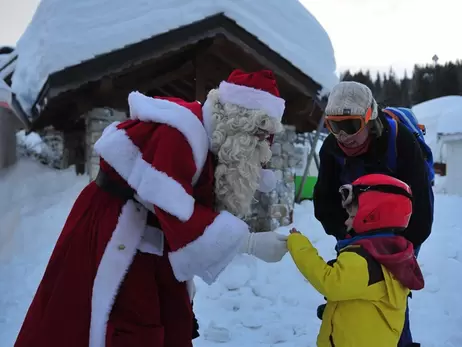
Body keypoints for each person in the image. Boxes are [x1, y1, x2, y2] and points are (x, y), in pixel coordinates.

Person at [14, 69, 289, 347]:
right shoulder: (180, 134)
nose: (264, 148)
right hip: (116, 231)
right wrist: (250, 243)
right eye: (260, 137)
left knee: (168, 322)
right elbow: (176, 211)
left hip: (148, 237)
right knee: (123, 325)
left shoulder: (212, 142)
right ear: (240, 124)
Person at [313, 81, 433, 347]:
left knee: (388, 301)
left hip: (399, 236)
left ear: (370, 118)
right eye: (335, 126)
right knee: (352, 295)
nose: (344, 136)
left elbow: (422, 212)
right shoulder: (331, 149)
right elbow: (324, 204)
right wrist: (349, 236)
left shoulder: (401, 143)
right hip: (353, 231)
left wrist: (398, 254)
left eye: (352, 125)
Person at [288, 173, 424, 347]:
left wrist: (298, 244)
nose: (346, 222)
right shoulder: (393, 253)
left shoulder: (362, 258)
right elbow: (365, 297)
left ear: (373, 215)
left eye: (351, 216)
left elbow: (330, 283)